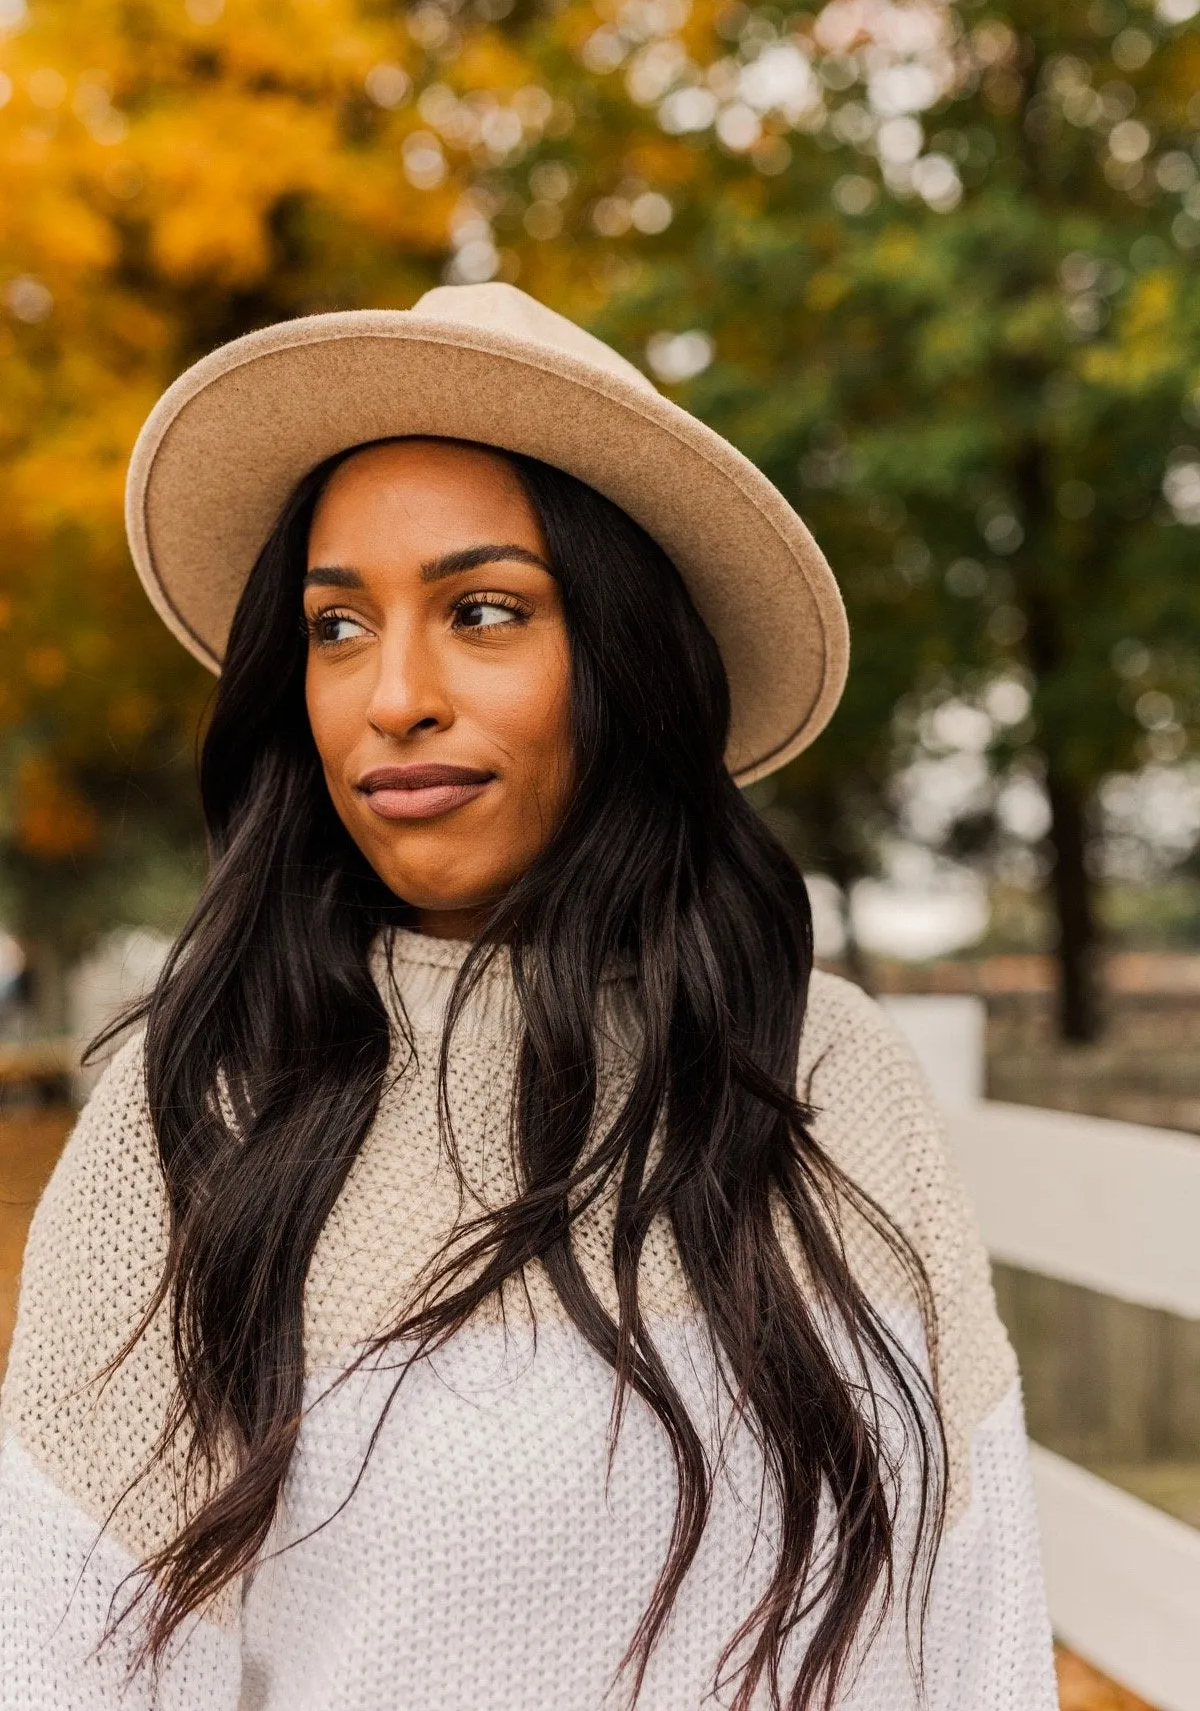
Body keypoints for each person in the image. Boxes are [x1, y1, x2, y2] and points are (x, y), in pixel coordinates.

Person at [0, 284, 1057, 1710]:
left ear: (625, 662)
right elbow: (69, 1668)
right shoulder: (198, 1112)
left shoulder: (827, 1067)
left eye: (482, 610)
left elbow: (976, 1616)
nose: (395, 695)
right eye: (335, 628)